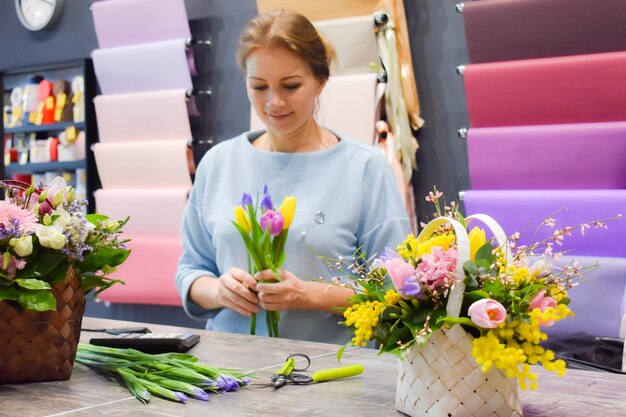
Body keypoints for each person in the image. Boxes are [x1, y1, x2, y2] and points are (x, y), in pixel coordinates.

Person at [176, 9, 409, 344]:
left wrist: (308, 295)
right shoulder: (218, 163)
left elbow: (394, 287)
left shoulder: (364, 168)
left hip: (330, 375)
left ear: (321, 81)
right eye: (259, 87)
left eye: (291, 85)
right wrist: (219, 291)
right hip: (228, 370)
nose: (274, 102)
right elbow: (191, 270)